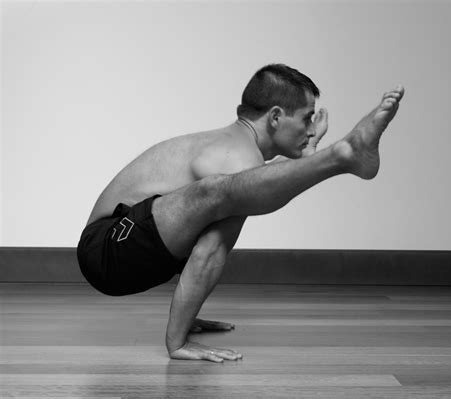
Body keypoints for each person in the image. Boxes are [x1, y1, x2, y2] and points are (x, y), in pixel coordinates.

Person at [77, 63, 405, 363]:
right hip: (107, 249)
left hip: (131, 246)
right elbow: (209, 253)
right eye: (306, 118)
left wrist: (309, 153)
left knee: (235, 189)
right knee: (223, 191)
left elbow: (258, 185)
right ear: (275, 117)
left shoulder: (238, 152)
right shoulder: (236, 159)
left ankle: (340, 155)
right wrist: (177, 342)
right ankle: (342, 156)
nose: (309, 128)